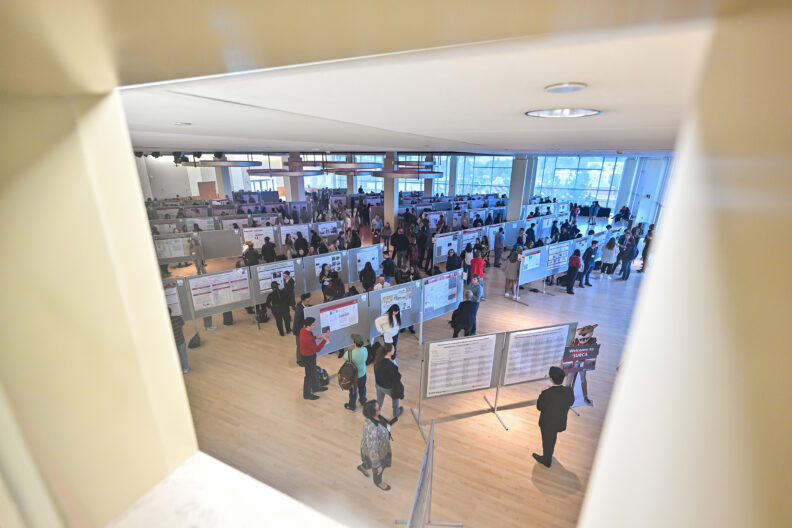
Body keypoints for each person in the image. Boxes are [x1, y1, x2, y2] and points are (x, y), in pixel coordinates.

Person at [532, 366, 575, 468]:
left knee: (547, 441)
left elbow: (539, 407)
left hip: (547, 423)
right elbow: (571, 402)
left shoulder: (547, 393)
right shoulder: (569, 391)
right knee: (552, 438)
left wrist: (542, 393)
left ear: (551, 379)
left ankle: (546, 460)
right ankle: (549, 453)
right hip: (560, 422)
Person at [358, 400, 393, 491]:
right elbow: (372, 449)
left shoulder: (375, 417)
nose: (380, 408)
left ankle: (362, 467)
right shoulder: (372, 429)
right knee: (378, 470)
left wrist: (388, 422)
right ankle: (378, 482)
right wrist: (378, 465)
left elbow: (383, 423)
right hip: (376, 453)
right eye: (378, 408)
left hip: (379, 448)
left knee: (368, 462)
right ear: (373, 413)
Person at [299, 317, 330, 400]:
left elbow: (311, 337)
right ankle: (307, 394)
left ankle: (315, 387)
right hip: (308, 357)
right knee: (309, 376)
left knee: (313, 372)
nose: (315, 326)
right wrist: (325, 339)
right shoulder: (307, 339)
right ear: (308, 326)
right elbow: (317, 349)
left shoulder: (303, 330)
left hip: (309, 355)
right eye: (313, 325)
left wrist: (316, 337)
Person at [373, 343, 402, 419]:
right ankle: (396, 412)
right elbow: (397, 377)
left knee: (379, 401)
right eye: (393, 349)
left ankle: (377, 413)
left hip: (378, 385)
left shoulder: (378, 360)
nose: (394, 350)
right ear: (389, 352)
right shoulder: (390, 365)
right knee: (395, 398)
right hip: (387, 387)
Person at [344, 334, 369, 411]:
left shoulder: (349, 354)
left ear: (354, 343)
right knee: (362, 388)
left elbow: (346, 360)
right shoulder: (365, 350)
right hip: (363, 374)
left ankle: (352, 406)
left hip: (353, 377)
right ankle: (363, 401)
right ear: (362, 343)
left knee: (353, 392)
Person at [169, 307, 189, 374]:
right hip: (181, 340)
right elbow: (182, 324)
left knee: (174, 357)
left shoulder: (165, 323)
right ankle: (186, 368)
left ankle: (178, 370)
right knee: (183, 356)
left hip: (172, 343)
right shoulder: (178, 318)